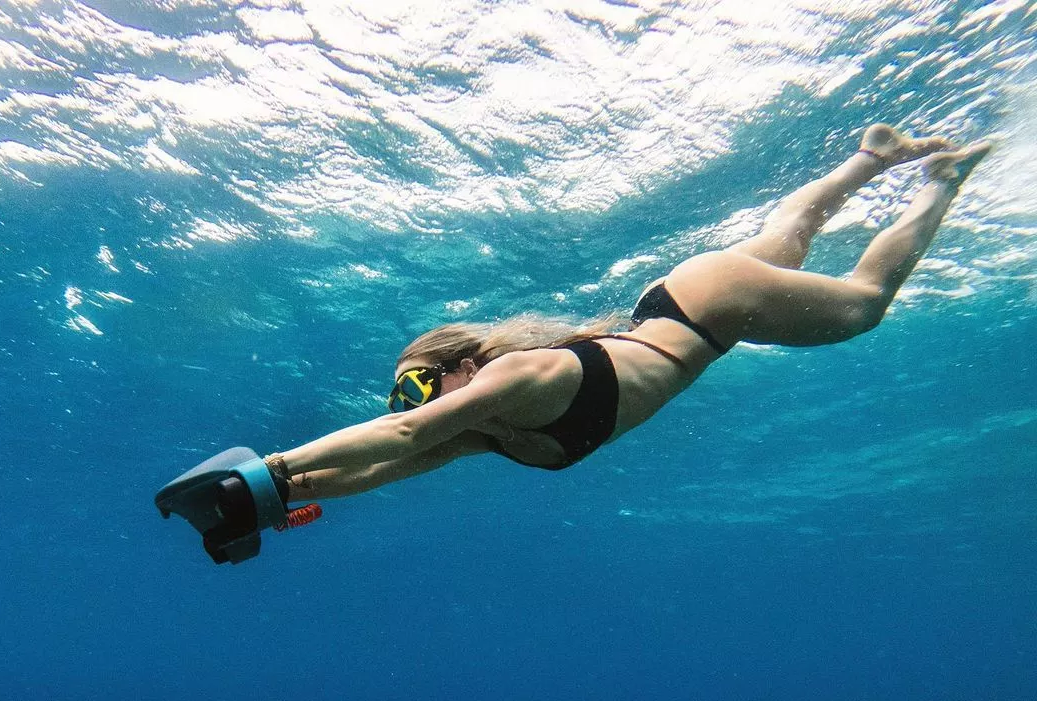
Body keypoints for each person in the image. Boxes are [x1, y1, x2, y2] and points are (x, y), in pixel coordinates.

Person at [262, 124, 991, 502]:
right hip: (680, 303)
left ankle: (941, 179)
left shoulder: (516, 377)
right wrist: (283, 498)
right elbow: (392, 462)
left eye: (416, 385)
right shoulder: (494, 432)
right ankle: (872, 157)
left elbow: (403, 432)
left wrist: (272, 466)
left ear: (463, 365)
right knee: (789, 242)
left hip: (708, 309)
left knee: (863, 306)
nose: (411, 405)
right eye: (403, 396)